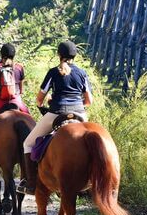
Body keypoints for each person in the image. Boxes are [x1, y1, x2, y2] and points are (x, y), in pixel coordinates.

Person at [17, 40, 93, 195]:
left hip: (57, 113)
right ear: (74, 56)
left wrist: (46, 102)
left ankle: (31, 184)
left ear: (59, 55)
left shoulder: (53, 72)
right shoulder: (82, 73)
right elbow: (89, 101)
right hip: (79, 114)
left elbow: (39, 99)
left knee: (28, 143)